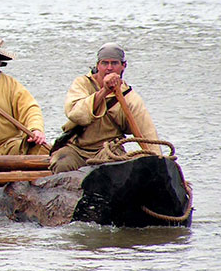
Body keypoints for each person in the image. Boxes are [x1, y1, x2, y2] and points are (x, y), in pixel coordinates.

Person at [49, 43, 161, 173]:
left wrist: (158, 163)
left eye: (114, 63)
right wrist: (104, 91)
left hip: (108, 149)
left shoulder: (129, 97)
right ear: (98, 65)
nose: (109, 68)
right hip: (77, 149)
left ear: (123, 66)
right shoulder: (82, 84)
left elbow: (146, 133)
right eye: (104, 63)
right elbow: (76, 114)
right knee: (62, 162)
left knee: (112, 167)